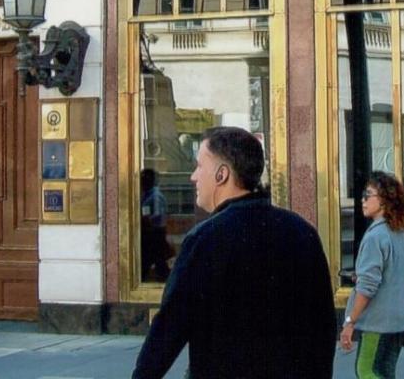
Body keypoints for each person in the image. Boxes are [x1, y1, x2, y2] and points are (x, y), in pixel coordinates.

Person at [132, 126, 336, 379]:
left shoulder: (206, 239)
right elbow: (323, 326)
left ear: (222, 174)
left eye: (199, 166)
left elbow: (170, 326)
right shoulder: (302, 232)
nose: (193, 176)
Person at [339, 172, 404, 379]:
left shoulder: (375, 236)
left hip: (378, 320)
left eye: (368, 195)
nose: (363, 200)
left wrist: (350, 322)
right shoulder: (403, 234)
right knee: (385, 371)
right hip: (401, 319)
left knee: (366, 370)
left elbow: (367, 288)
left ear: (383, 200)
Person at [139, 168, 172, 282]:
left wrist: (147, 220)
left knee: (155, 260)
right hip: (150, 232)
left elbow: (158, 215)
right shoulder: (147, 195)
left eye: (143, 179)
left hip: (155, 233)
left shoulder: (155, 196)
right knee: (157, 261)